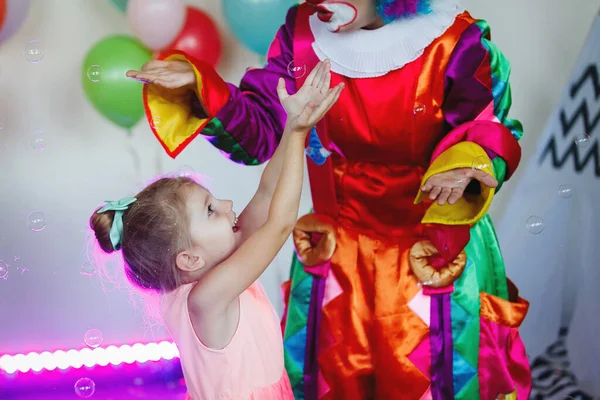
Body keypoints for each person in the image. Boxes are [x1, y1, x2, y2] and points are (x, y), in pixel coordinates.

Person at [126, 0, 531, 398]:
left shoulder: (456, 41)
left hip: (431, 254)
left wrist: (467, 162)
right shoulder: (301, 35)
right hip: (339, 259)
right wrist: (204, 91)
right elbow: (262, 132)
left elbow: (488, 126)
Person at [91, 61, 343, 400]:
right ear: (190, 258)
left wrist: (293, 126)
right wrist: (298, 134)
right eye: (211, 211)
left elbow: (268, 193)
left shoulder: (208, 265)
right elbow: (280, 225)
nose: (226, 204)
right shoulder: (206, 299)